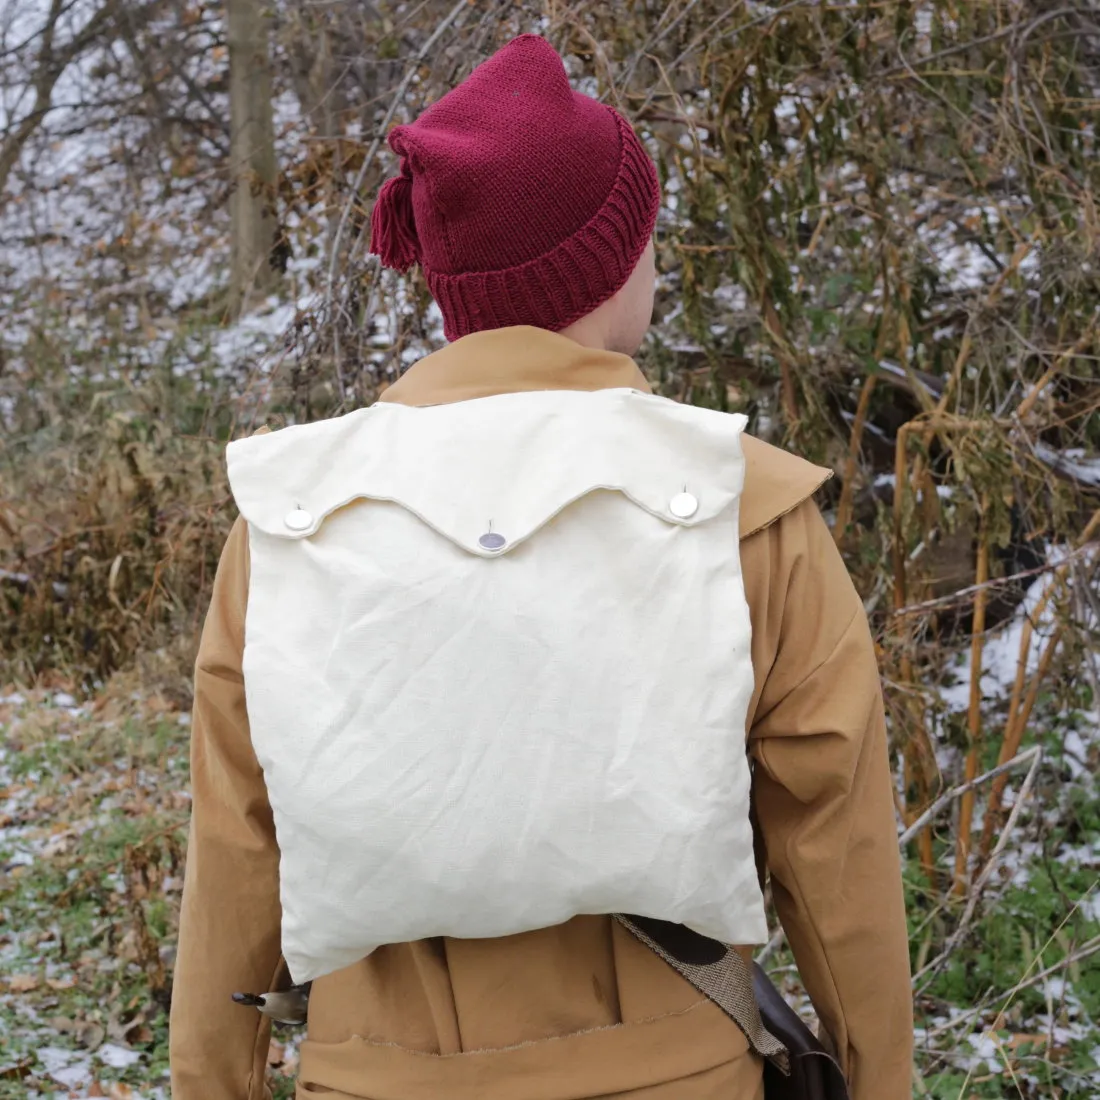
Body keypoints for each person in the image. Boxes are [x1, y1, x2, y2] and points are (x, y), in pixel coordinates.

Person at [169, 33, 913, 1100]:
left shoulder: (290, 520)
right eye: (645, 236)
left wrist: (212, 1083)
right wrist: (877, 1080)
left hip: (374, 1081)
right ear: (608, 265)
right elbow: (833, 861)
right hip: (677, 1076)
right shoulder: (743, 507)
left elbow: (236, 853)